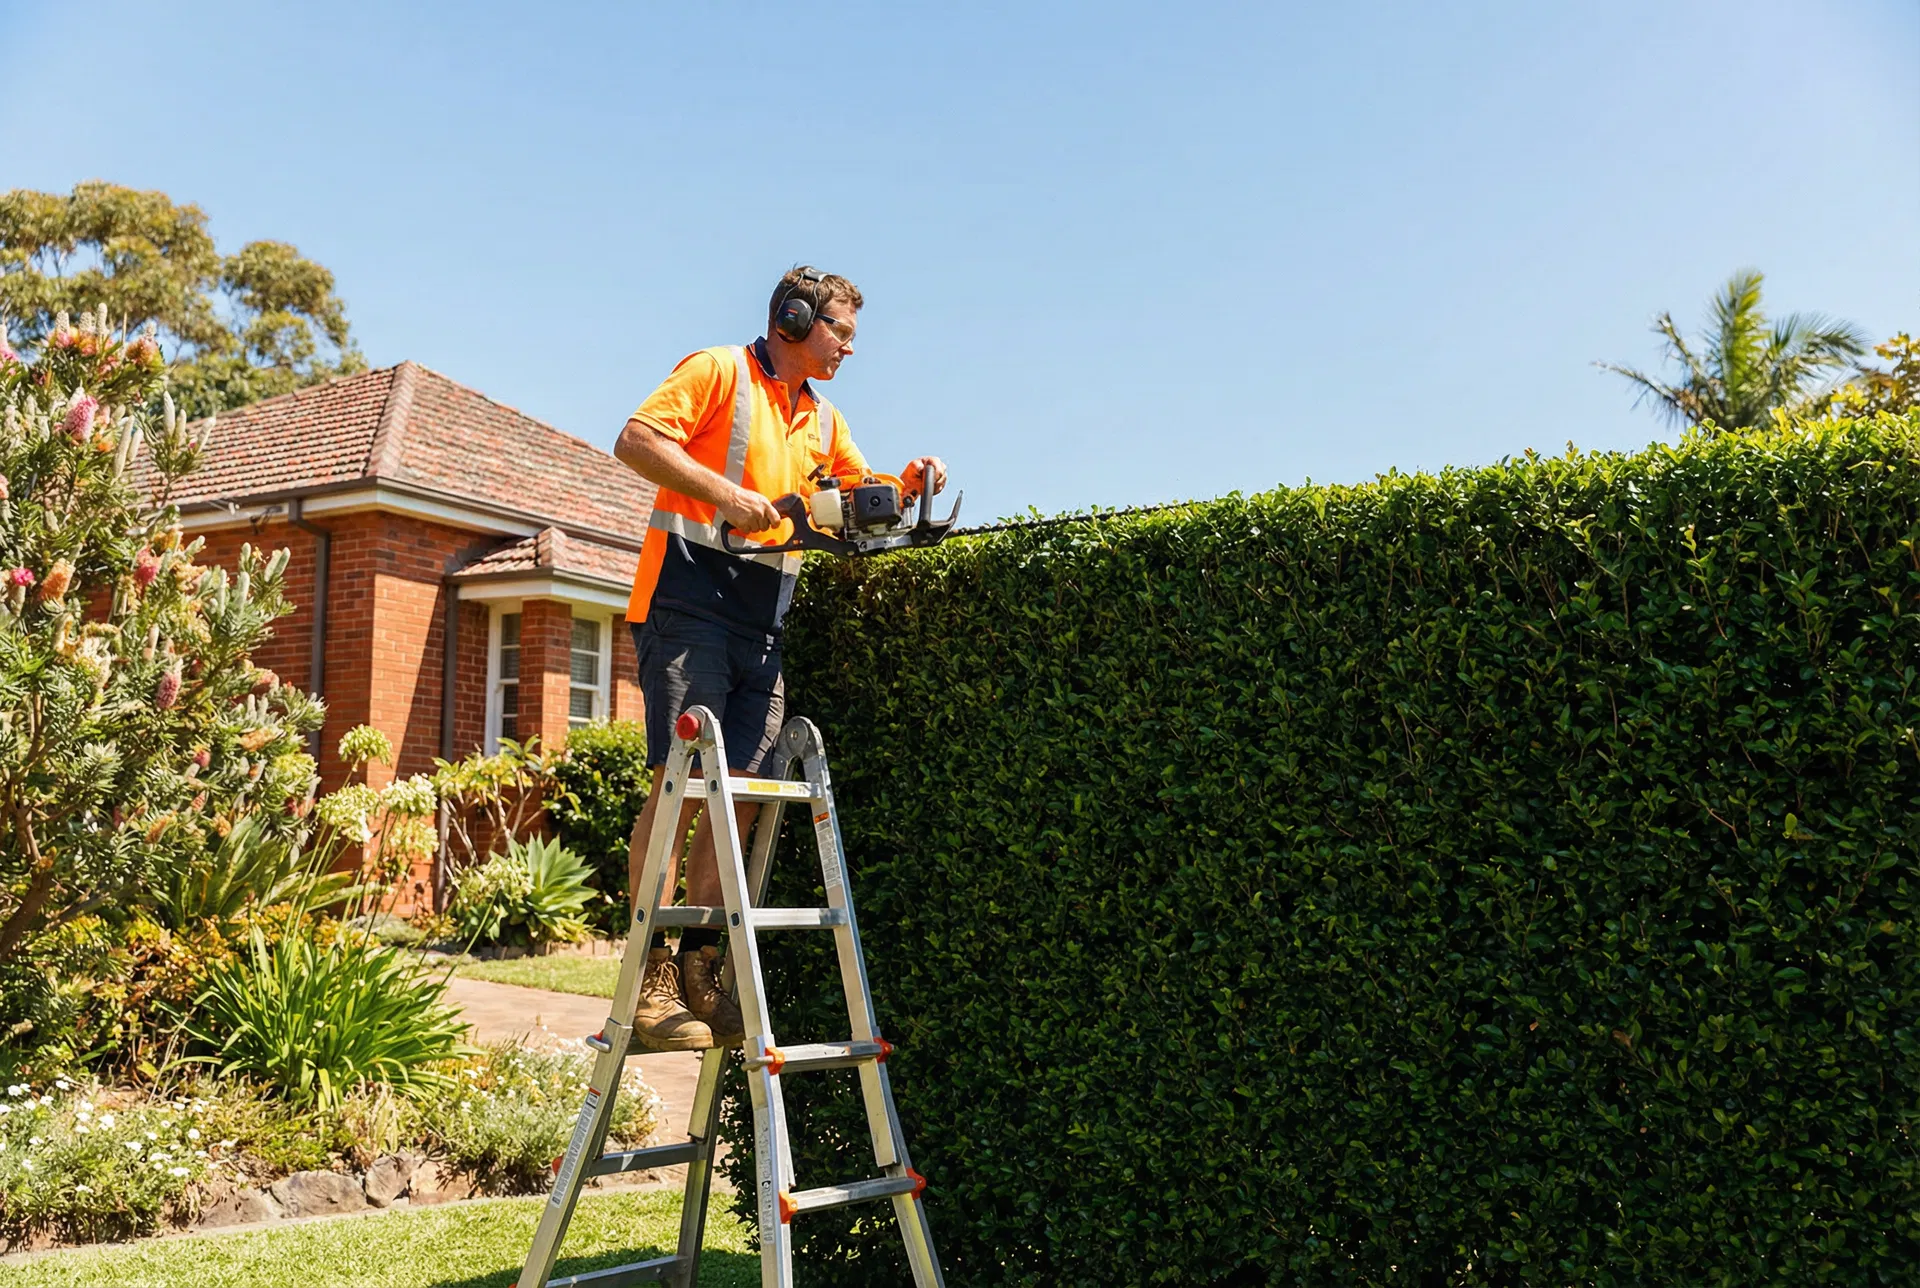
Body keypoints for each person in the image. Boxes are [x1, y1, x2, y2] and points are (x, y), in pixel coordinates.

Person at [613, 266, 947, 1051]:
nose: (848, 350)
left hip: (764, 621)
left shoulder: (824, 422)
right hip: (687, 602)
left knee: (745, 799)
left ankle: (700, 971)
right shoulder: (717, 370)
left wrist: (908, 482)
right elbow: (635, 441)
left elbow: (864, 496)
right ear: (794, 319)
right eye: (841, 333)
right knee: (681, 788)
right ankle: (649, 978)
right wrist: (730, 500)